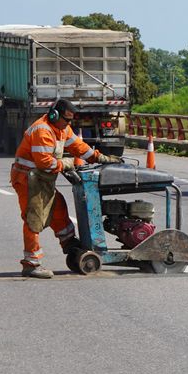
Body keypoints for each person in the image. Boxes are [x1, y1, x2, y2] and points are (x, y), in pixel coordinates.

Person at [10, 98, 122, 279]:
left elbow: (79, 147)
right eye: (66, 119)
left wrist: (99, 158)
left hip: (41, 179)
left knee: (58, 206)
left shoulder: (62, 129)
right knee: (34, 218)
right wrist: (68, 163)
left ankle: (71, 245)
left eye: (70, 120)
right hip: (27, 179)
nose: (68, 123)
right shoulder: (42, 130)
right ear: (54, 115)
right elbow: (45, 163)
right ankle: (31, 264)